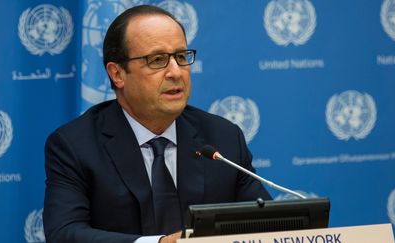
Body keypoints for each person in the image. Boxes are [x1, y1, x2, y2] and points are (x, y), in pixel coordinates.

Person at [43, 5, 271, 243]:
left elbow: (265, 225)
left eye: (181, 57)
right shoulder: (75, 146)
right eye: (158, 60)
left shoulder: (222, 138)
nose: (176, 72)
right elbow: (64, 234)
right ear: (117, 74)